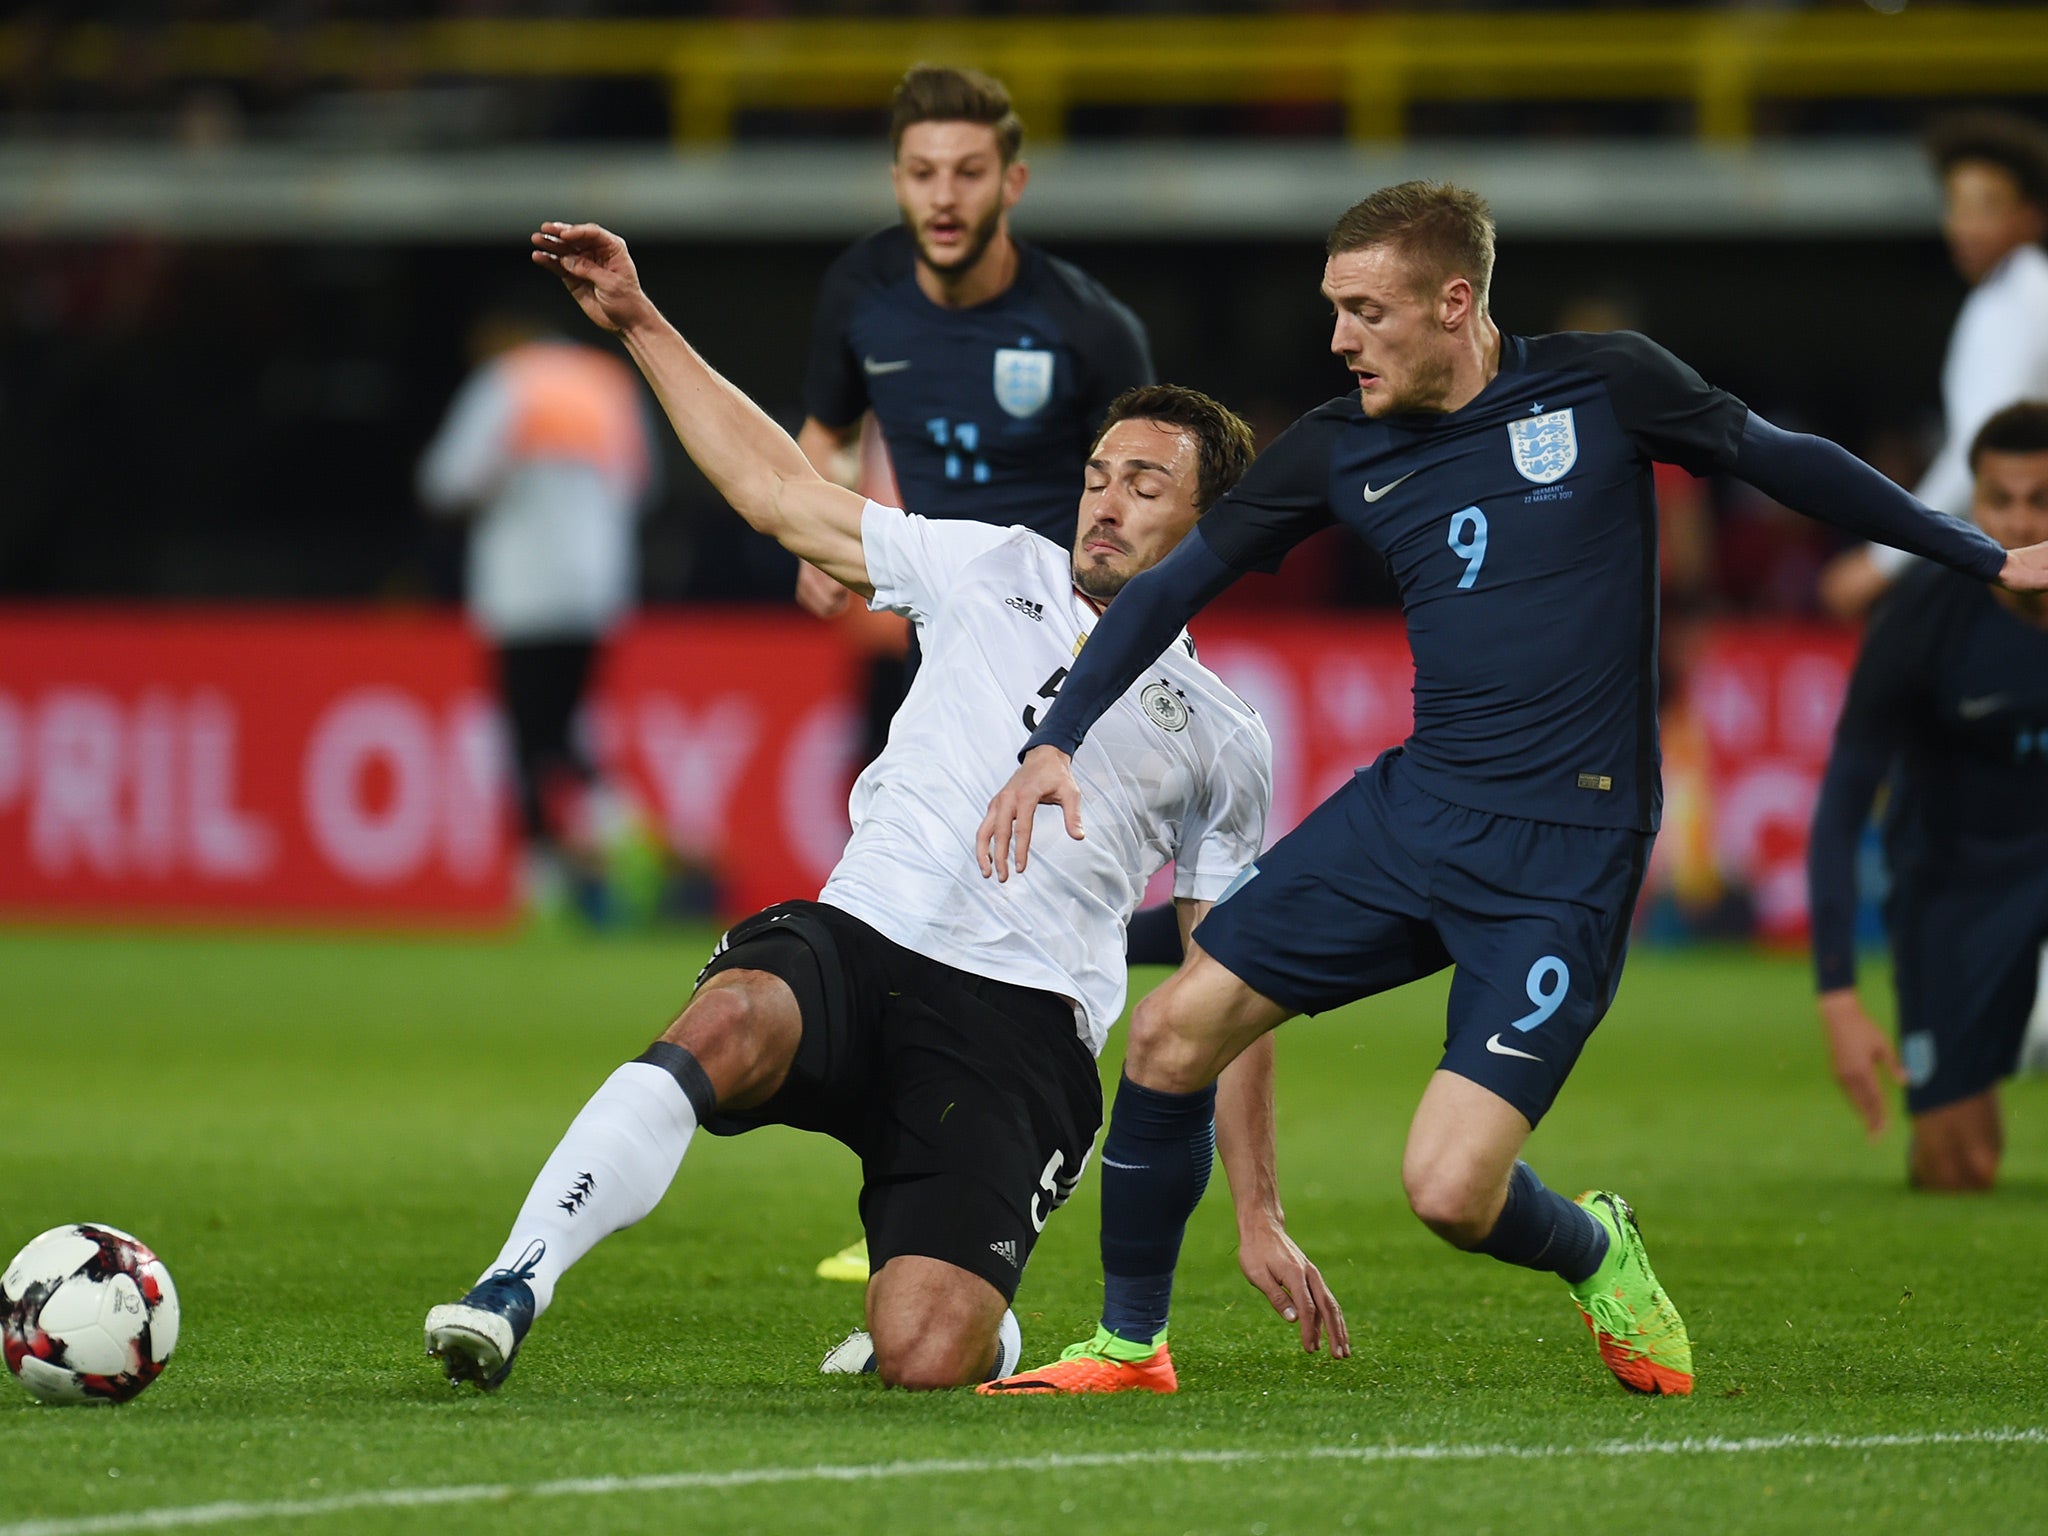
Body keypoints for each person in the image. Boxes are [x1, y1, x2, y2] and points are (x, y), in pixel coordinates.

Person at [973, 182, 2048, 1399]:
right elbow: (1168, 594)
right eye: (1333, 308)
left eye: (1366, 311)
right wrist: (1056, 738)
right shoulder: (1338, 444)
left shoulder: (1606, 386)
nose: (1338, 338)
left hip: (1566, 852)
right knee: (1172, 1034)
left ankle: (1594, 1247)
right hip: (1415, 813)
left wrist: (1977, 553)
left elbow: (1784, 464)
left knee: (1447, 1190)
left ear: (1453, 301)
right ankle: (1131, 1345)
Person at [422, 219, 1347, 1393]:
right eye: (1096, 477)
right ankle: (512, 1282)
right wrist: (641, 322)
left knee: (924, 1352)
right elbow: (778, 494)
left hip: (1017, 1028)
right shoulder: (989, 568)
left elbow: (1225, 990)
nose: (1104, 504)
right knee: (728, 1017)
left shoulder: (1220, 732)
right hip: (862, 941)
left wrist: (1258, 1213)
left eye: (1144, 484)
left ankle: (983, 1325)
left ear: (1210, 525)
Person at [793, 63, 1172, 1285]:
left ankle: (995, 1172)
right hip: (948, 633)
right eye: (921, 173)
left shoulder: (1086, 328)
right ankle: (930, 1190)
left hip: (1074, 650)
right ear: (896, 180)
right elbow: (826, 434)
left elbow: (1156, 485)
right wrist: (819, 532)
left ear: (1011, 181)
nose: (942, 196)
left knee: (1009, 912)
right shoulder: (860, 290)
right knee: (936, 908)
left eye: (967, 172)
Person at [1808, 400, 2048, 1191]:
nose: (2019, 521)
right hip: (1955, 885)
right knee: (1958, 1167)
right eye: (2000, 499)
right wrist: (1838, 995)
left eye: (2042, 500)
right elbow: (1842, 807)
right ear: (1972, 501)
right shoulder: (1921, 614)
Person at [417, 305, 656, 921]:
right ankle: (620, 826)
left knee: (529, 736)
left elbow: (447, 479)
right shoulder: (607, 383)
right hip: (597, 586)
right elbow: (643, 483)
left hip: (523, 588)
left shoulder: (507, 383)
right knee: (565, 725)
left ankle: (545, 876)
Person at [1818, 112, 2048, 621]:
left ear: (2031, 216)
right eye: (1957, 206)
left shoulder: (2017, 300)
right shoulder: (2012, 291)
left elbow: (1979, 453)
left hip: (2024, 560)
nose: (1964, 225)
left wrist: (1881, 563)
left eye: (1986, 206)